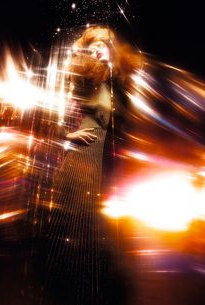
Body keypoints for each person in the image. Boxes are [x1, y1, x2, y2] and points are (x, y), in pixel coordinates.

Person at [42, 26, 143, 305]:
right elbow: (52, 115)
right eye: (92, 46)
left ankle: (97, 292)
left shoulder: (115, 83)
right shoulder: (84, 79)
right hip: (81, 162)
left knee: (101, 233)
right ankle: (68, 292)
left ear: (112, 48)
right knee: (80, 232)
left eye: (102, 45)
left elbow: (124, 120)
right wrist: (68, 135)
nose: (97, 49)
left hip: (104, 165)